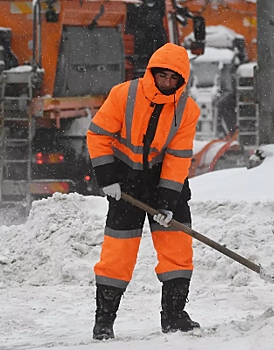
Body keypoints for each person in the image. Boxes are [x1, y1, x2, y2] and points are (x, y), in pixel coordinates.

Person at [86, 43, 201, 340]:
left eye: (173, 78)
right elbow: (98, 136)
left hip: (166, 184)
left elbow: (178, 158)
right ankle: (104, 321)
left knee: (177, 249)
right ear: (152, 73)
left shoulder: (187, 109)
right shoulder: (124, 94)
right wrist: (108, 177)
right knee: (118, 254)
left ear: (181, 80)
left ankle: (174, 316)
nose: (166, 82)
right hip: (126, 184)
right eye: (162, 75)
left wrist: (167, 200)